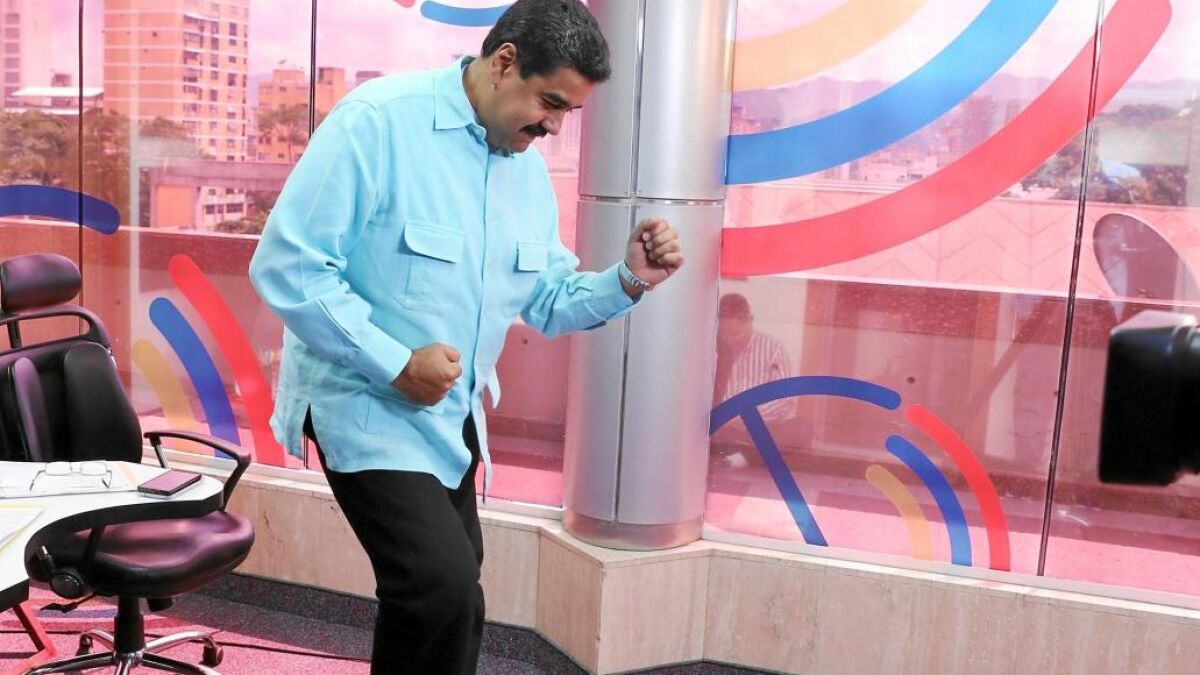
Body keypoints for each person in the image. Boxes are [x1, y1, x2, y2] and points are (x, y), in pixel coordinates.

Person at [247, 1, 683, 672]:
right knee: (437, 585)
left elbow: (546, 300)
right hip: (361, 401)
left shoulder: (526, 172)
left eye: (569, 112)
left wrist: (628, 279)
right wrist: (396, 363)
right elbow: (289, 266)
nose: (555, 127)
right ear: (504, 62)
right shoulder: (378, 122)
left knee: (456, 594)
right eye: (550, 103)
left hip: (452, 416)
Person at [711, 293, 794, 468]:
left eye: (735, 333)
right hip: (723, 429)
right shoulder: (710, 347)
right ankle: (747, 456)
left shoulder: (773, 347)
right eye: (724, 333)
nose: (730, 340)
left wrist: (747, 415)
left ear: (750, 321)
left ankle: (742, 456)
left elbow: (786, 399)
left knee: (801, 428)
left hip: (760, 425)